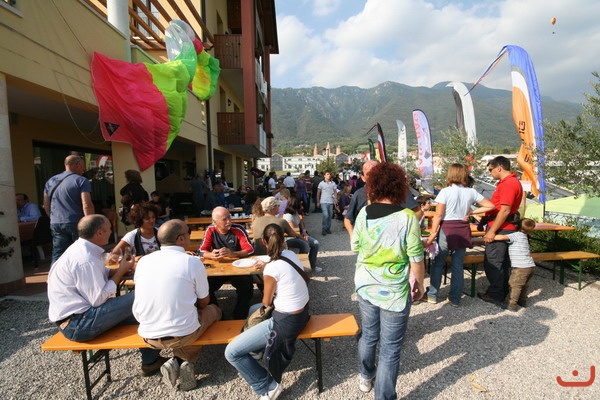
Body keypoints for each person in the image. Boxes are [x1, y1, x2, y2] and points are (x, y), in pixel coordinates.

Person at [47, 215, 163, 376]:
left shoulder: (82, 250)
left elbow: (99, 274)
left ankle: (150, 361)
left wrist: (118, 271)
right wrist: (120, 272)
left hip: (77, 319)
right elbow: (98, 299)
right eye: (109, 229)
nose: (111, 232)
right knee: (145, 295)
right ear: (100, 232)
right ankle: (164, 350)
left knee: (142, 310)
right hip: (78, 324)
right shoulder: (85, 259)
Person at [351, 162, 425, 399]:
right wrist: (420, 284)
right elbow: (416, 257)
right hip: (394, 290)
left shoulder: (364, 213)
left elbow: (355, 246)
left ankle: (365, 375)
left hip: (365, 284)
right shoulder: (407, 217)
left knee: (369, 334)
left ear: (373, 186)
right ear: (399, 187)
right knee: (390, 348)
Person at [133, 220, 222, 391]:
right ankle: (183, 360)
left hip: (148, 335)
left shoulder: (143, 262)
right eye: (189, 233)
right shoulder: (192, 262)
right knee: (214, 311)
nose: (190, 236)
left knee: (186, 318)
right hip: (183, 334)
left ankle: (178, 362)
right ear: (181, 239)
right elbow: (204, 301)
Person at [225, 223, 309, 400]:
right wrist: (267, 266)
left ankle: (268, 385)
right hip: (302, 314)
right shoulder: (290, 255)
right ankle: (256, 351)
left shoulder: (272, 268)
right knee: (252, 309)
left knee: (231, 352)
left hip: (285, 322)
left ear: (263, 242)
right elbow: (281, 268)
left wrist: (267, 271)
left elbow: (266, 302)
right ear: (283, 239)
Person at [424, 164, 495, 306]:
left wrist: (433, 233)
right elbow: (491, 205)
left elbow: (438, 215)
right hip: (462, 228)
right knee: (458, 264)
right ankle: (455, 298)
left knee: (439, 262)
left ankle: (432, 294)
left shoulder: (445, 191)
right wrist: (471, 212)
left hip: (447, 228)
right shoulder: (471, 192)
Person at [479, 156, 524, 307]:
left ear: (499, 167)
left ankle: (496, 294)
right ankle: (503, 292)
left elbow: (505, 210)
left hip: (501, 227)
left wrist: (492, 231)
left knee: (494, 261)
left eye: (490, 170)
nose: (490, 173)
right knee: (503, 262)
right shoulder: (511, 182)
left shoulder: (509, 184)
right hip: (505, 227)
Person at [200, 206, 255, 319]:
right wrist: (211, 255)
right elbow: (201, 251)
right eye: (224, 219)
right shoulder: (210, 230)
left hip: (238, 268)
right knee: (204, 287)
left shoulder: (238, 229)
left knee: (246, 287)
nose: (229, 221)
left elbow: (250, 249)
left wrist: (233, 254)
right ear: (215, 222)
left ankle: (239, 316)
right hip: (219, 269)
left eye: (229, 217)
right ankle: (219, 315)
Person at [344, 160, 418, 237]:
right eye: (369, 174)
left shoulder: (397, 190)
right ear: (363, 178)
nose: (373, 177)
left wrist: (404, 233)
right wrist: (352, 236)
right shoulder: (359, 195)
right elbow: (348, 219)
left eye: (376, 173)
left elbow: (417, 212)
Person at [43, 155, 94, 263]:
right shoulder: (81, 180)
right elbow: (86, 204)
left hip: (56, 222)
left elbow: (46, 204)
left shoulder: (51, 181)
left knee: (58, 253)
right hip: (77, 222)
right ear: (77, 164)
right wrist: (90, 222)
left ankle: (54, 273)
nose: (83, 170)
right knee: (81, 252)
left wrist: (53, 218)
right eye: (82, 166)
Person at [494, 218, 537, 311]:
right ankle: (522, 301)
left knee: (515, 285)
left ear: (517, 226)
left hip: (521, 267)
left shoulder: (516, 235)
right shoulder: (525, 236)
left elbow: (502, 237)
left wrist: (491, 236)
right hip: (530, 266)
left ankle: (511, 304)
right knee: (524, 285)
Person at [282, 196, 321, 272]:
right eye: (300, 202)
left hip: (298, 235)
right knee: (305, 245)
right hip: (290, 238)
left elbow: (301, 222)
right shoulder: (288, 216)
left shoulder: (295, 212)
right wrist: (304, 239)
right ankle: (300, 266)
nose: (302, 203)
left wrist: (304, 232)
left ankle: (312, 265)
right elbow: (294, 232)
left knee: (316, 243)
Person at [316, 170, 337, 235]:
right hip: (323, 201)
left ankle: (328, 228)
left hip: (330, 201)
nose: (329, 175)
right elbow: (318, 193)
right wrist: (318, 201)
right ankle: (324, 228)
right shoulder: (321, 183)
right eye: (327, 174)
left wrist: (336, 199)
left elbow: (335, 191)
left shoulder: (333, 183)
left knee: (330, 216)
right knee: (326, 215)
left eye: (329, 174)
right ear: (324, 175)